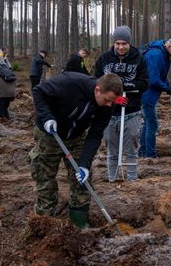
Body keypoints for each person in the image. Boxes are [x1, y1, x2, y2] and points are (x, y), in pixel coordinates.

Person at [30, 72, 123, 228]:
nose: (109, 105)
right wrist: (47, 117)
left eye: (112, 102)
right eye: (107, 100)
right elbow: (38, 91)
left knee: (82, 181)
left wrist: (84, 164)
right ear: (97, 90)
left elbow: (94, 135)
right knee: (45, 179)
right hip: (49, 134)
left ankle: (77, 226)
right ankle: (44, 225)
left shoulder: (108, 106)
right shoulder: (69, 83)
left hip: (76, 137)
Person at [94, 25, 149, 182]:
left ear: (129, 43)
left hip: (132, 111)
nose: (120, 47)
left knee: (131, 147)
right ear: (114, 42)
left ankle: (132, 181)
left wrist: (126, 87)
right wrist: (114, 98)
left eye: (124, 43)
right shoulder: (104, 59)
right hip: (109, 112)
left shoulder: (139, 58)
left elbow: (144, 83)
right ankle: (112, 178)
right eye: (117, 43)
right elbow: (96, 81)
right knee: (112, 149)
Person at [139, 37, 171, 158]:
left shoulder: (162, 54)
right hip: (146, 95)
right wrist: (165, 87)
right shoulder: (155, 54)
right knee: (152, 124)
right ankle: (150, 155)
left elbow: (160, 73)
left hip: (149, 95)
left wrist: (166, 83)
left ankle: (143, 152)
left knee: (147, 123)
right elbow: (153, 79)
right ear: (170, 46)